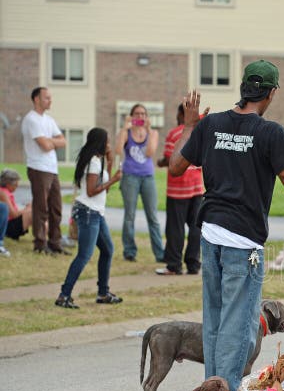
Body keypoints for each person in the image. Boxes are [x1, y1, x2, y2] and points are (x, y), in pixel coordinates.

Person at [168, 59, 284, 391]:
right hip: (243, 242)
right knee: (239, 324)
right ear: (271, 93)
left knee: (215, 318)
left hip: (209, 234)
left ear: (244, 88)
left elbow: (175, 166)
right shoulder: (269, 133)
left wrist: (189, 124)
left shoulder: (210, 124)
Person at [55, 128, 123, 309]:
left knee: (107, 249)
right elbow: (92, 191)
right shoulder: (93, 161)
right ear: (100, 142)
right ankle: (64, 295)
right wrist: (115, 179)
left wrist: (110, 163)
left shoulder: (97, 161)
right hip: (88, 212)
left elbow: (103, 188)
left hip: (95, 213)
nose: (109, 144)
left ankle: (103, 293)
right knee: (84, 255)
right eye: (107, 140)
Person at [155, 103, 203, 275]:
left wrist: (160, 163)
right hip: (197, 187)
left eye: (177, 113)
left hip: (178, 188)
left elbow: (169, 159)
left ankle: (174, 265)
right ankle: (193, 264)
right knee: (196, 227)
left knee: (175, 228)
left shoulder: (175, 134)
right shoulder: (200, 132)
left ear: (183, 114)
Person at [21, 86, 69, 255]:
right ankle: (40, 244)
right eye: (47, 98)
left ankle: (55, 243)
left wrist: (51, 141)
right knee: (41, 208)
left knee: (56, 207)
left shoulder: (49, 120)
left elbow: (63, 141)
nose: (50, 100)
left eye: (50, 97)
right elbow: (45, 145)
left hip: (52, 169)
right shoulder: (31, 119)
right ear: (37, 99)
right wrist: (52, 141)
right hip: (38, 168)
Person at [115, 103, 164, 263]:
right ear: (132, 116)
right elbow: (117, 150)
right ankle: (129, 251)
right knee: (129, 215)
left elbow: (150, 153)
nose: (140, 116)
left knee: (153, 217)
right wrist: (124, 127)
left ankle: (159, 253)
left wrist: (149, 130)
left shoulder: (153, 133)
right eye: (137, 113)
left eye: (143, 114)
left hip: (147, 177)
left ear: (147, 116)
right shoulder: (126, 132)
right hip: (130, 177)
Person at [0, 169, 32, 241]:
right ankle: (43, 239)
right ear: (8, 184)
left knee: (36, 210)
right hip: (9, 227)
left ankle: (47, 237)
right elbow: (13, 214)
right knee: (32, 212)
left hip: (11, 223)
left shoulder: (5, 192)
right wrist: (26, 209)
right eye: (15, 185)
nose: (17, 187)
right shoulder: (2, 193)